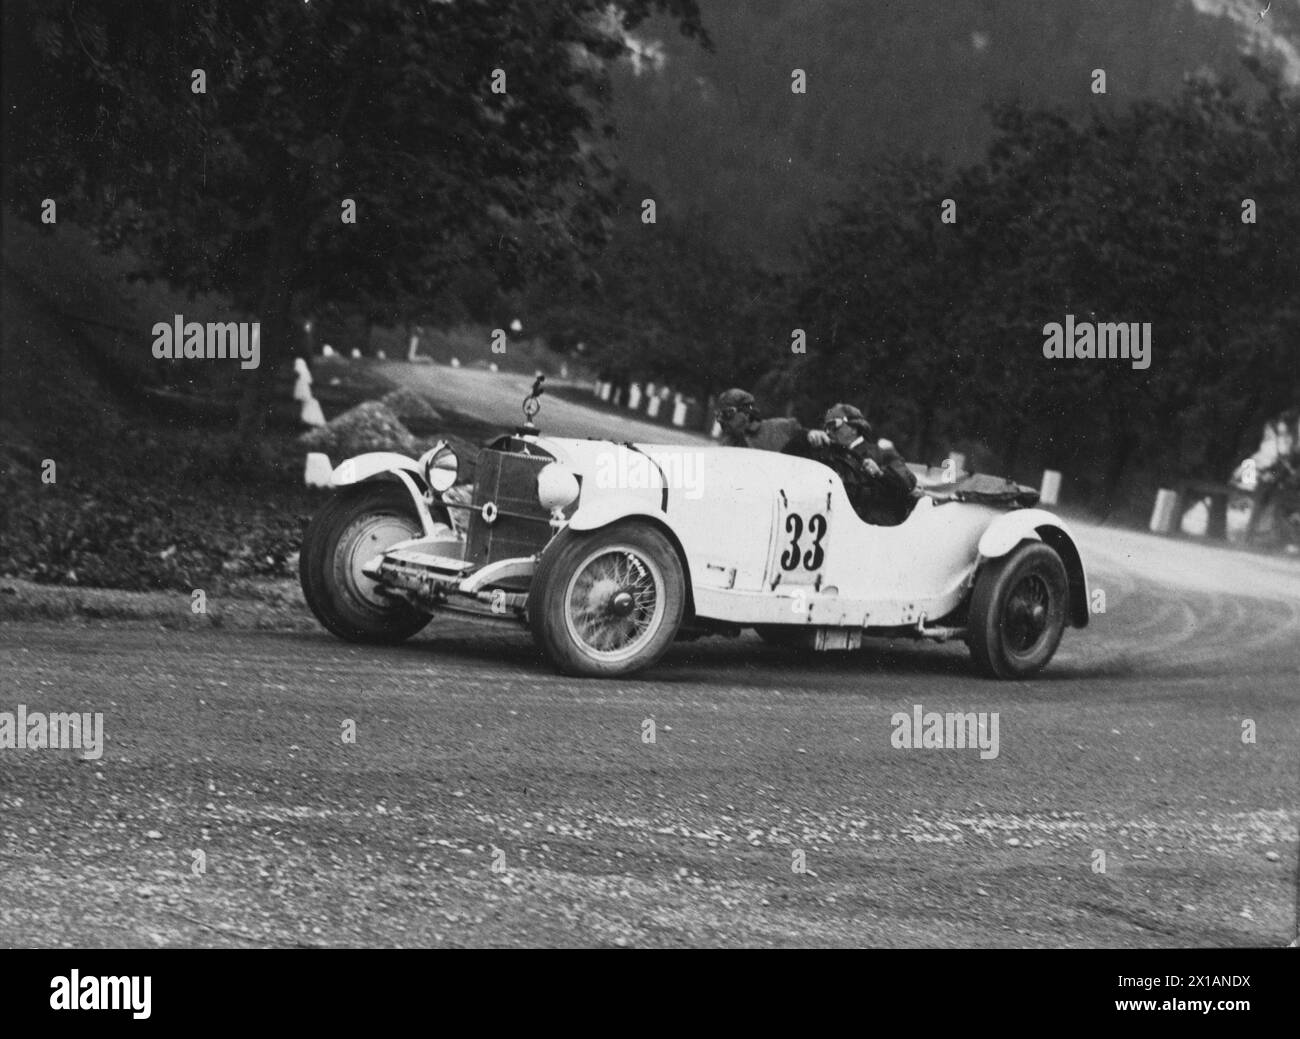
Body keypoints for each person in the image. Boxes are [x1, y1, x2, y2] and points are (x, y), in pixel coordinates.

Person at [789, 402, 919, 526]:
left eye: (834, 425)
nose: (829, 432)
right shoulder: (825, 452)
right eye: (826, 428)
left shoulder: (880, 452)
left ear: (854, 428)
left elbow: (907, 482)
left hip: (871, 528)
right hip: (832, 522)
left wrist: (880, 474)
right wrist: (807, 436)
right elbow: (789, 461)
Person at [714, 388, 830, 452]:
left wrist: (811, 434)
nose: (722, 420)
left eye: (727, 413)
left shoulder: (780, 427)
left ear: (746, 412)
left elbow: (802, 435)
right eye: (719, 415)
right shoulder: (727, 444)